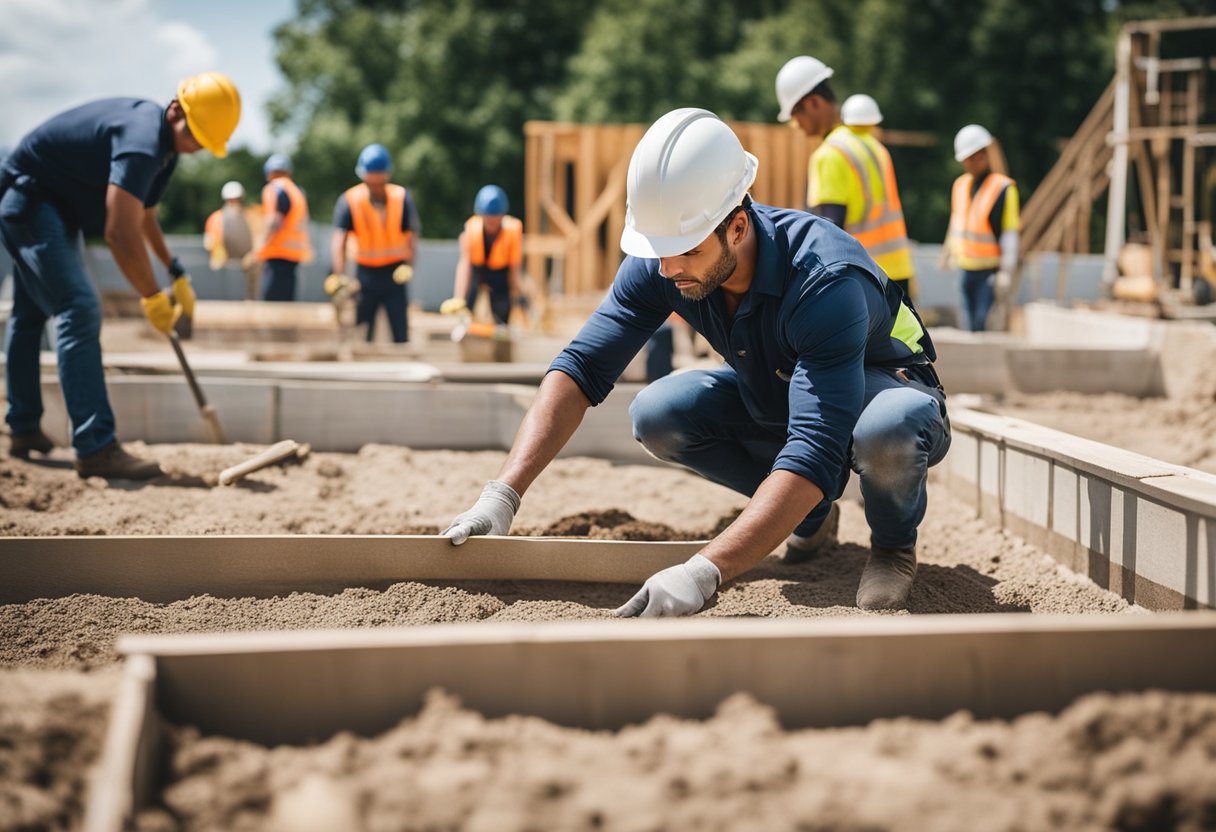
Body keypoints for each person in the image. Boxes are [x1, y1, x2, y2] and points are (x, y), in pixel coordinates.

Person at [442, 108, 950, 615]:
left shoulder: (823, 278)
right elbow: (580, 366)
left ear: (736, 227)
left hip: (883, 384)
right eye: (659, 250)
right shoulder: (667, 258)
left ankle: (891, 547)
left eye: (684, 250)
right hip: (779, 382)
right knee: (659, 414)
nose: (667, 267)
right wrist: (503, 494)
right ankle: (810, 515)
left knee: (888, 429)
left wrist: (703, 572)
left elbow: (815, 449)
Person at [0, 72, 240, 478]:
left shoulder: (164, 152)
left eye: (203, 141)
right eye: (194, 133)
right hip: (31, 200)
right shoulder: (142, 141)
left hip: (54, 208)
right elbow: (119, 232)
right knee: (79, 306)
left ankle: (23, 427)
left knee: (30, 313)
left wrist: (173, 271)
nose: (196, 145)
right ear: (176, 109)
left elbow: (143, 214)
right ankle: (96, 447)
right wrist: (151, 296)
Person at [776, 57, 917, 301]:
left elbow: (828, 230)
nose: (795, 124)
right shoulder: (871, 145)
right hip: (898, 270)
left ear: (813, 102)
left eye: (795, 114)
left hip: (864, 276)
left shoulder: (829, 154)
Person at [325, 144, 419, 343]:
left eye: (379, 181)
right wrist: (339, 275)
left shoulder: (401, 197)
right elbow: (338, 240)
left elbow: (412, 235)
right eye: (371, 182)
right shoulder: (350, 200)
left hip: (395, 273)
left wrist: (409, 266)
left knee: (400, 332)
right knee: (362, 331)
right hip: (365, 275)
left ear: (387, 176)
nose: (375, 187)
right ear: (363, 177)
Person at [944, 124, 1020, 332]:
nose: (969, 163)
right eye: (965, 159)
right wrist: (948, 253)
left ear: (984, 155)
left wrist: (1007, 270)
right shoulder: (960, 185)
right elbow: (956, 222)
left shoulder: (1004, 188)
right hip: (964, 267)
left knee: (982, 324)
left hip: (989, 270)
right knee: (968, 325)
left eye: (973, 157)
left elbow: (1009, 234)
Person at [442, 185, 524, 324]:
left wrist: (517, 294)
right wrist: (459, 297)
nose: (491, 222)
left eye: (495, 217)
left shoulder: (512, 231)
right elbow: (465, 265)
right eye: (487, 218)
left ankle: (501, 332)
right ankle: (467, 327)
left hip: (500, 274)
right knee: (467, 304)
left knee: (503, 307)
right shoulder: (470, 230)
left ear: (503, 215)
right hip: (477, 271)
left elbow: (514, 269)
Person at [256, 153, 312, 301]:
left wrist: (260, 245)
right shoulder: (297, 191)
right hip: (294, 253)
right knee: (287, 300)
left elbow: (274, 221)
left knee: (272, 302)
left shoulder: (275, 189)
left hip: (277, 252)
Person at [203, 180, 261, 299]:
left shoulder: (251, 216)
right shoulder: (216, 218)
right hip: (224, 258)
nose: (233, 202)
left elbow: (259, 237)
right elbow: (210, 241)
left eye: (236, 199)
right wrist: (218, 255)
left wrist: (252, 255)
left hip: (247, 258)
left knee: (257, 266)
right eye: (231, 199)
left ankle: (251, 302)